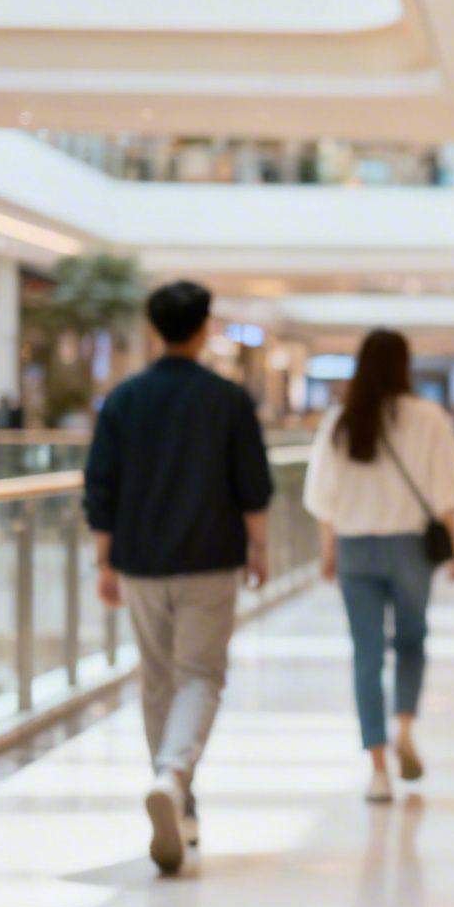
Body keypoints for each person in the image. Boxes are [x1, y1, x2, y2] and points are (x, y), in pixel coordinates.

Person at [84, 280, 273, 876]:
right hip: (210, 558)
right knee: (200, 677)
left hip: (140, 561)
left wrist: (104, 559)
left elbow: (101, 485)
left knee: (159, 679)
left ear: (153, 327)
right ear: (202, 329)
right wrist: (260, 547)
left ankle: (177, 795)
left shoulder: (124, 399)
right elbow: (253, 483)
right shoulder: (228, 399)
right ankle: (174, 778)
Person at [304, 330, 454, 802]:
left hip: (356, 547)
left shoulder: (341, 420)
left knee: (367, 654)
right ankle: (405, 727)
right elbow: (446, 492)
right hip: (411, 548)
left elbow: (324, 498)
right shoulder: (428, 418)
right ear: (404, 365)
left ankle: (377, 768)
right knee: (412, 642)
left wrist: (328, 549)